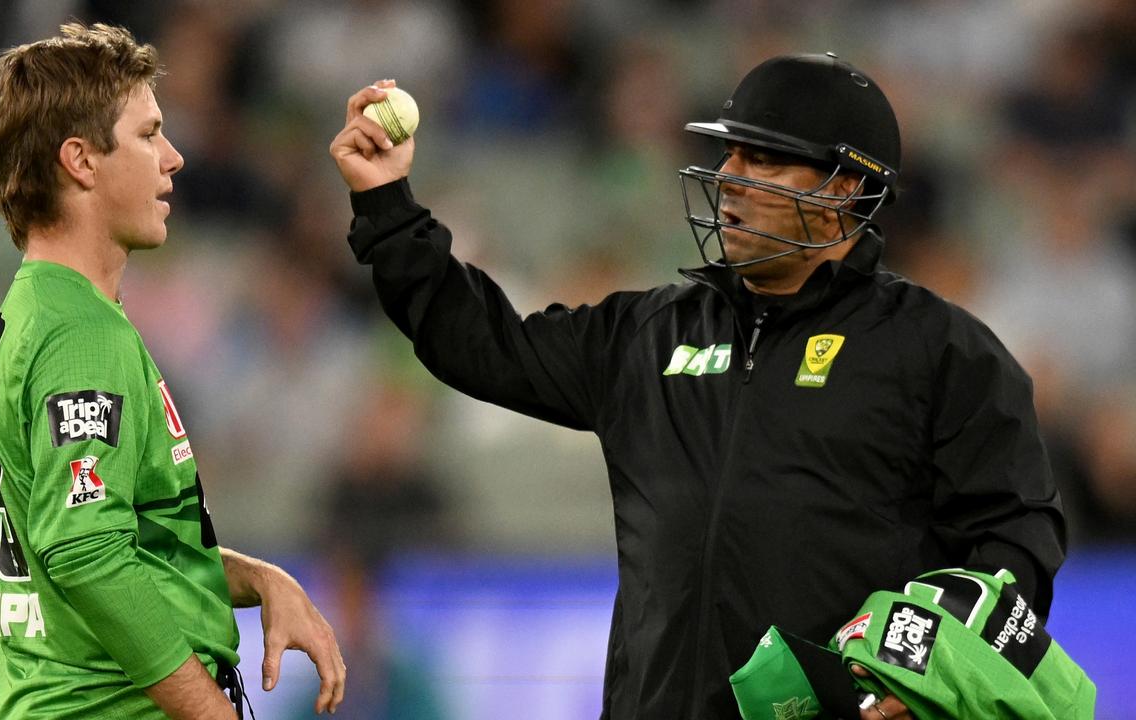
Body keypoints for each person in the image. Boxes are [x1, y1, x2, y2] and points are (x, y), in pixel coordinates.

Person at [330, 54, 1066, 720]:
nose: (730, 179)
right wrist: (389, 207)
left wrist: (927, 673)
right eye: (729, 154)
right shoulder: (650, 332)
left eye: (766, 160)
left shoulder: (938, 350)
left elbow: (1017, 540)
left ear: (845, 187)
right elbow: (482, 346)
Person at [0, 23, 345, 719]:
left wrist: (259, 580)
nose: (173, 158)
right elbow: (87, 554)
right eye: (148, 135)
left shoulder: (42, 311)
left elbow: (122, 536)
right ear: (81, 161)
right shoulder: (79, 336)